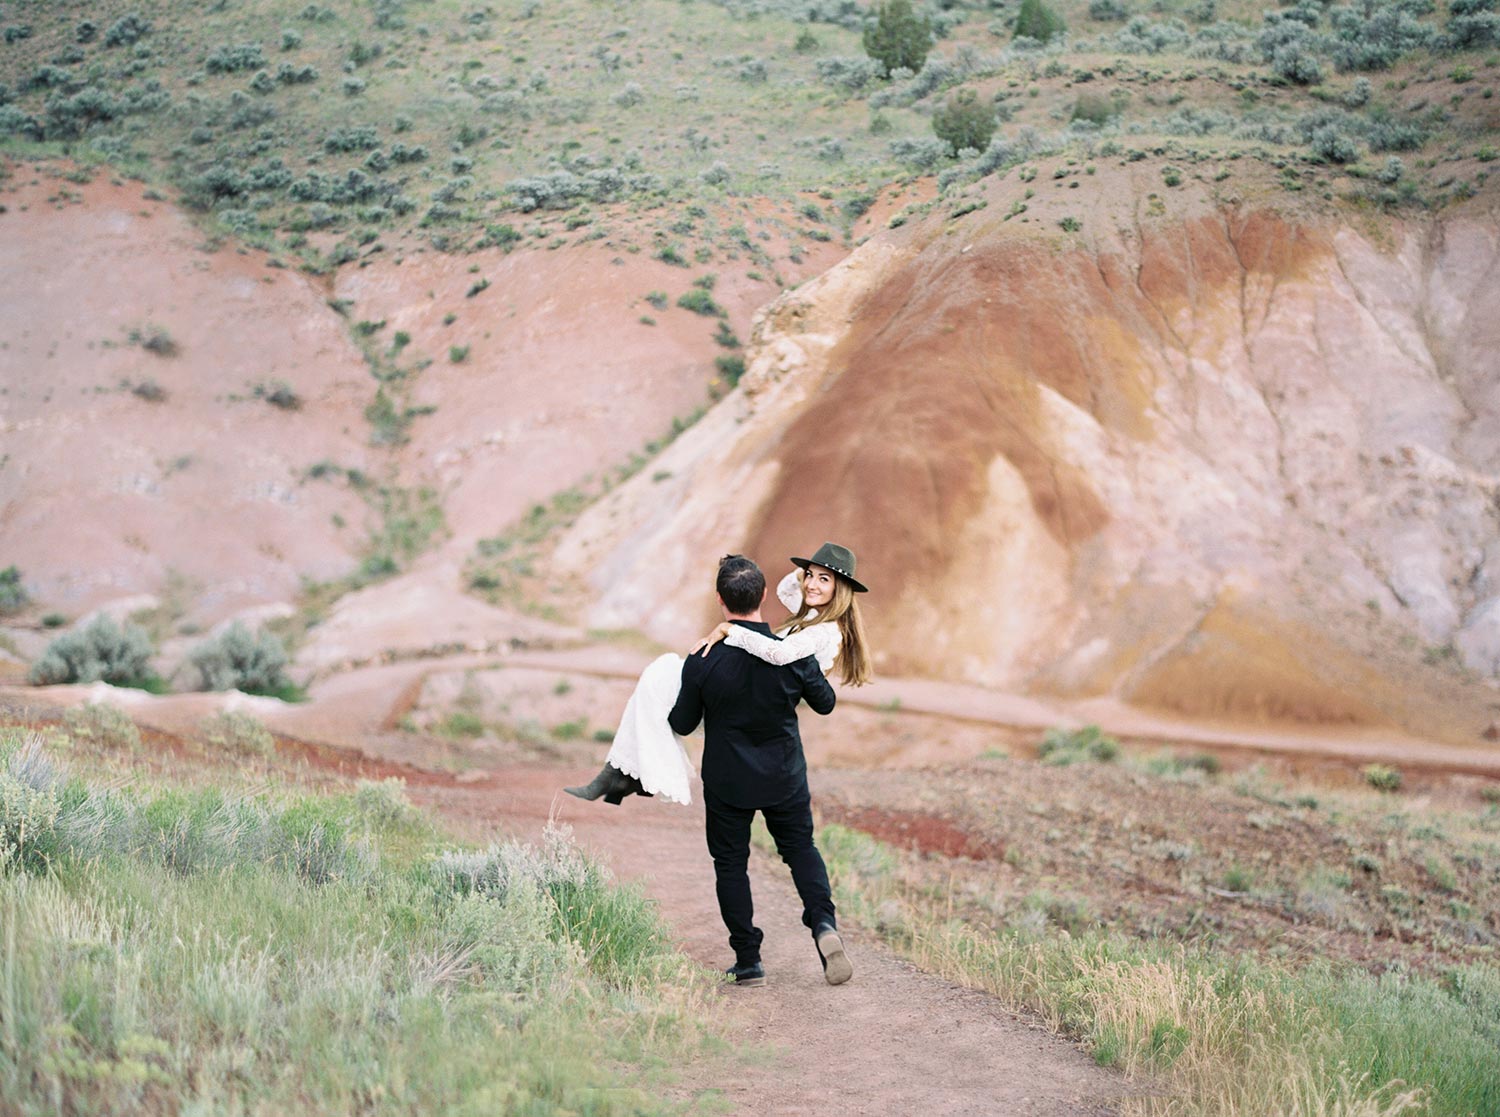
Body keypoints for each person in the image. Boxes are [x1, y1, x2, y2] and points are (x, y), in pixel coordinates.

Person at [667, 553, 854, 987]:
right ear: (764, 595)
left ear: (719, 600)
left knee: (730, 865)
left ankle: (748, 960)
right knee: (800, 850)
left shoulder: (703, 657)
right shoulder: (791, 650)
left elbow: (682, 724)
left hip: (728, 779)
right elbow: (824, 702)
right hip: (784, 775)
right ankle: (824, 925)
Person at [564, 542, 872, 806]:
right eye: (810, 577)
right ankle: (623, 773)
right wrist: (810, 573)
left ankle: (630, 775)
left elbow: (779, 654)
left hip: (759, 698)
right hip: (759, 689)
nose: (810, 585)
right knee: (656, 676)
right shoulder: (813, 615)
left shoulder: (823, 632)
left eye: (824, 580)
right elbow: (784, 590)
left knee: (659, 672)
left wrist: (729, 629)